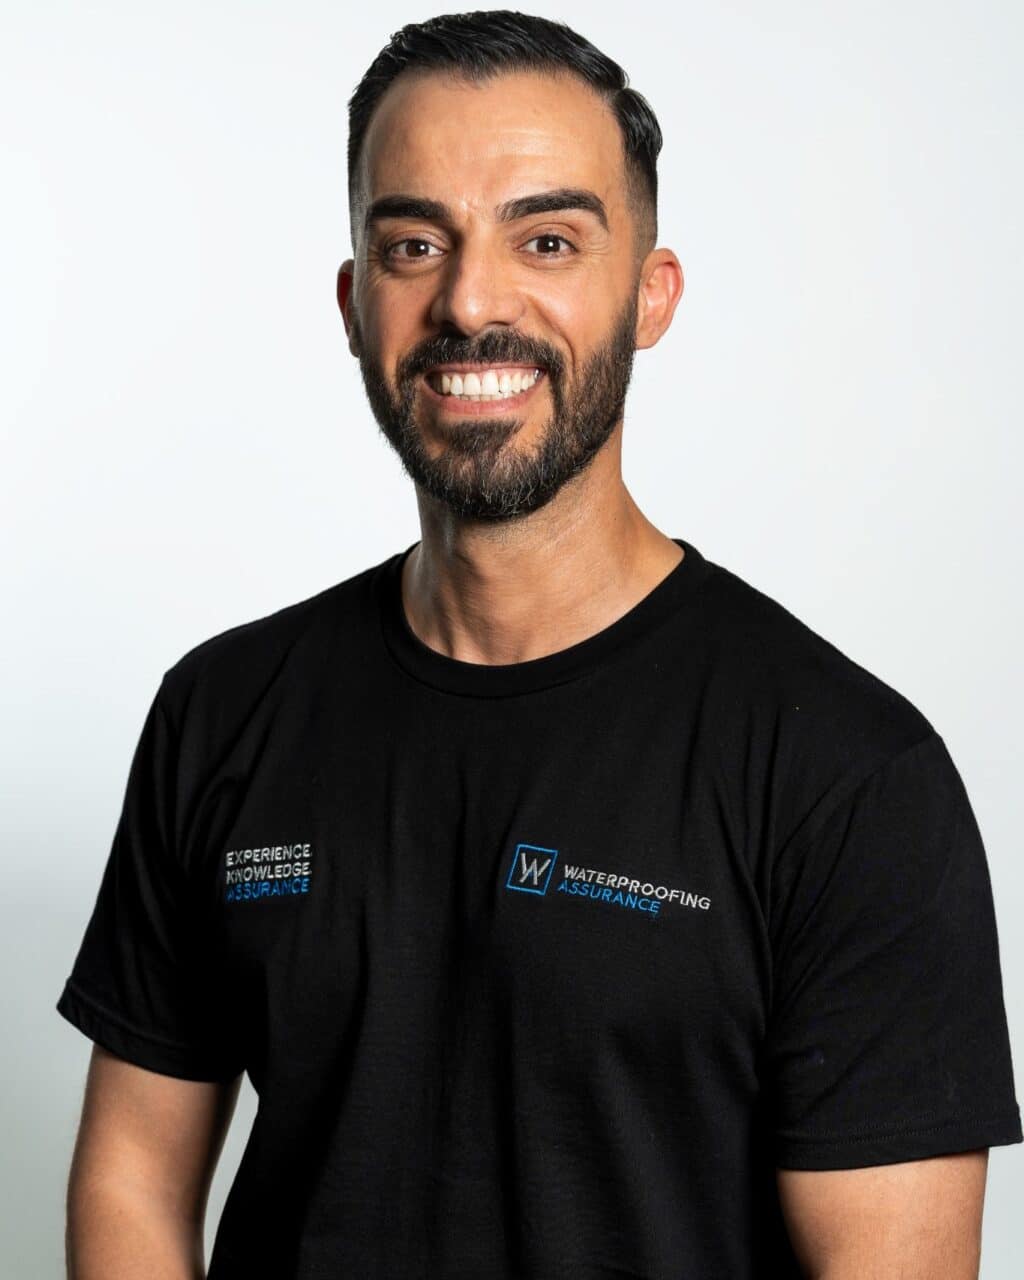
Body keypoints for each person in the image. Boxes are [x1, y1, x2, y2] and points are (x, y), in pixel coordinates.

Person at [56, 11, 1021, 1278]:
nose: (470, 300)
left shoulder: (846, 772)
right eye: (414, 243)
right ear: (355, 301)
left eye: (548, 239)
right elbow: (131, 1175)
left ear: (650, 294)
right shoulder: (226, 708)